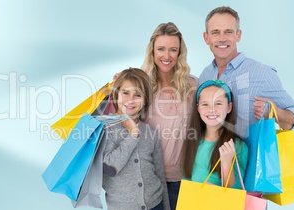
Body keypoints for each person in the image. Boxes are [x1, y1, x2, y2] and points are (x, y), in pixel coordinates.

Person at [199, 6, 294, 137]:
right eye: (215, 32)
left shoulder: (263, 74)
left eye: (228, 32)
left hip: (249, 157)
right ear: (206, 37)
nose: (222, 38)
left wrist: (274, 112)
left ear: (238, 35)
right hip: (212, 156)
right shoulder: (205, 76)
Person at [141, 22, 197, 209]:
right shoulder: (140, 84)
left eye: (173, 50)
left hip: (184, 180)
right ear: (152, 51)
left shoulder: (193, 85)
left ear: (180, 53)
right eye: (161, 49)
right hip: (148, 179)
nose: (167, 56)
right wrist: (118, 86)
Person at [103, 68, 170, 210]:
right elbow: (109, 168)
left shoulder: (150, 132)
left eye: (138, 95)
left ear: (145, 100)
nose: (130, 100)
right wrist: (133, 135)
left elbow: (159, 175)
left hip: (156, 204)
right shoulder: (105, 129)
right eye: (125, 93)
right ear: (116, 94)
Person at [181, 80, 248, 188]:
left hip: (220, 205)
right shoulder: (192, 140)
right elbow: (186, 179)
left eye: (218, 103)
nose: (211, 110)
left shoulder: (238, 146)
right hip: (193, 203)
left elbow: (235, 193)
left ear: (229, 107)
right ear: (198, 108)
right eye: (205, 104)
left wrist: (227, 163)